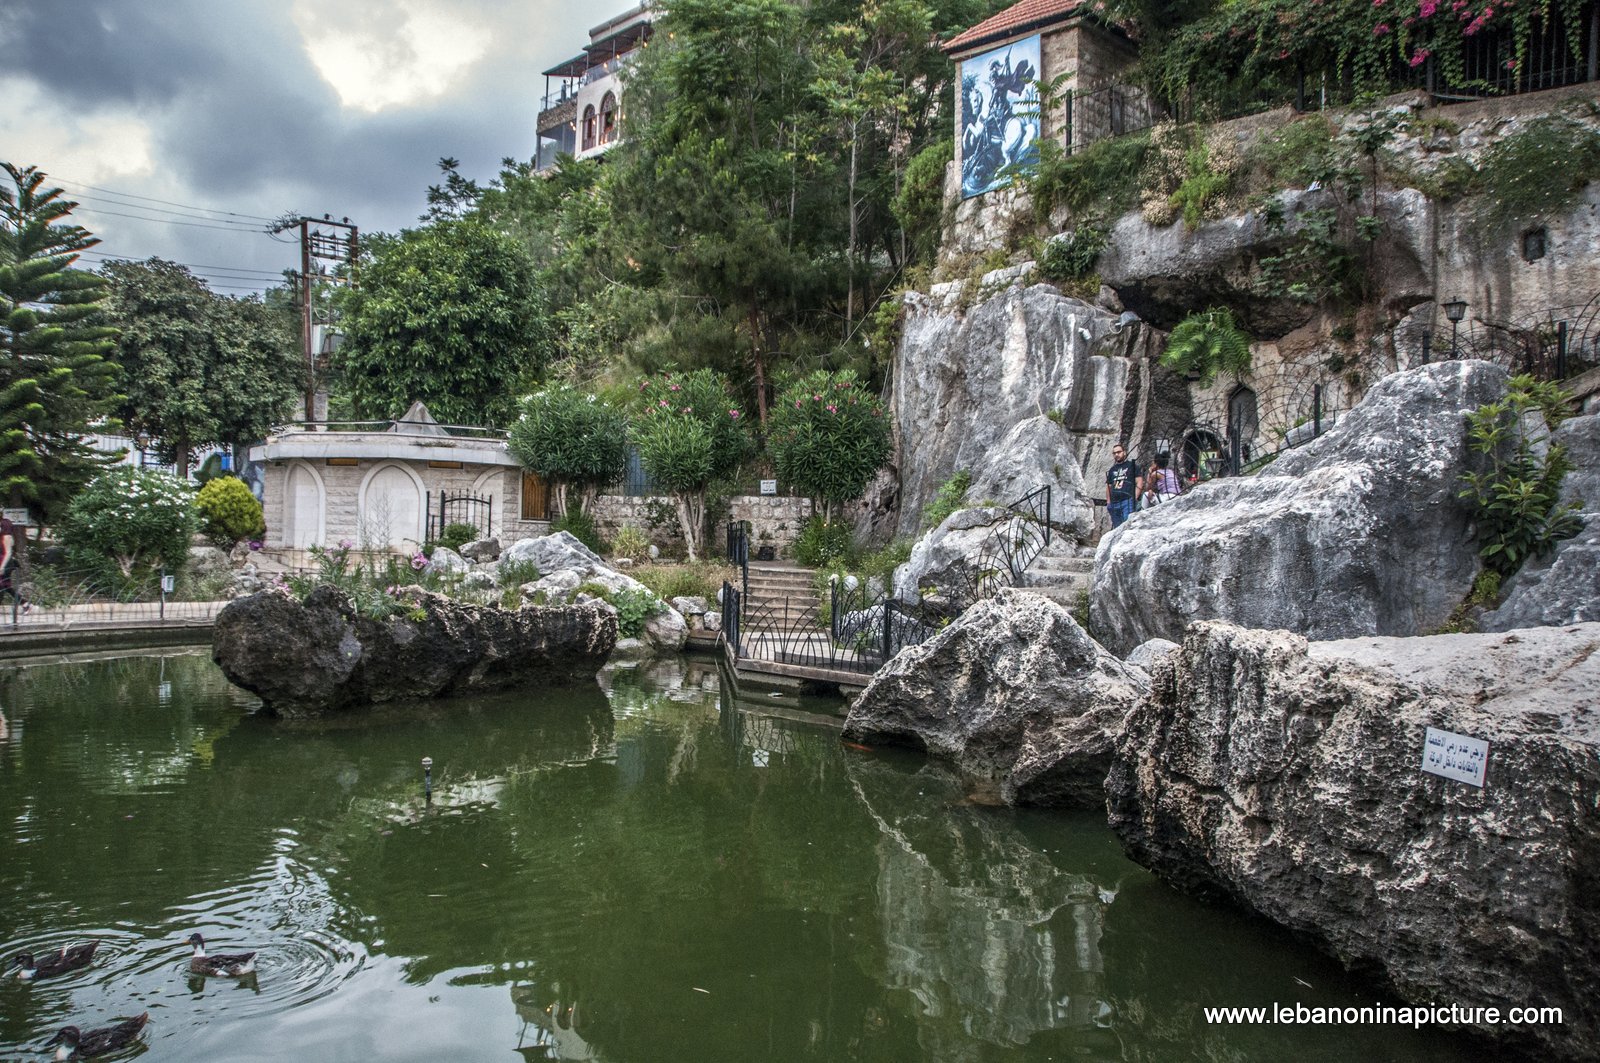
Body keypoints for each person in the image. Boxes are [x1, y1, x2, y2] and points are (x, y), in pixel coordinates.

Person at [1105, 444, 1142, 529]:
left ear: (1124, 452)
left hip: (1127, 501)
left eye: (1119, 452)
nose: (1116, 455)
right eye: (1114, 453)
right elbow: (1108, 486)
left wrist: (1135, 497)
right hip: (1114, 503)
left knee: (1127, 526)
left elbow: (1139, 482)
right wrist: (1108, 502)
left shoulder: (1132, 466)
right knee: (1117, 528)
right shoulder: (1112, 469)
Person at [0, 514, 29, 615]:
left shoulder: (6, 536)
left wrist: (2, 566)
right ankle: (25, 604)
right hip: (2, 562)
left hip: (6, 563)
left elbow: (8, 552)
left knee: (2, 585)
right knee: (6, 587)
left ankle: (25, 604)